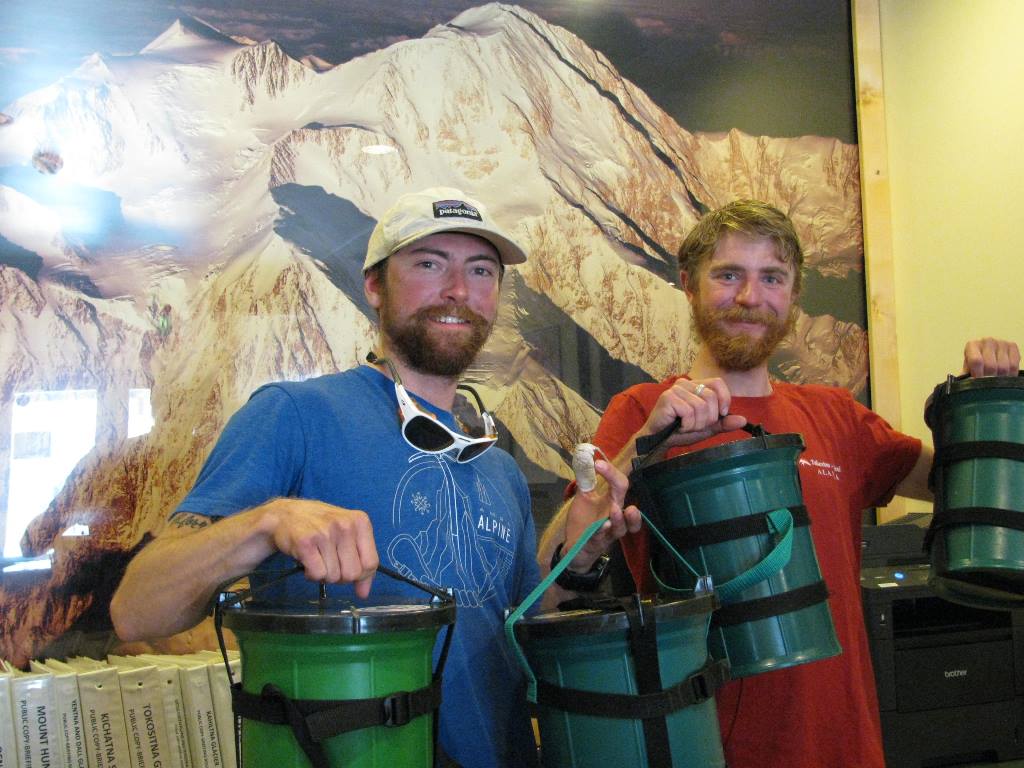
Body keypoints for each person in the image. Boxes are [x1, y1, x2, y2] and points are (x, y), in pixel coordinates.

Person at [110, 187, 640, 768]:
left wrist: (579, 555)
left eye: (481, 270)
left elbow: (516, 623)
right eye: (429, 264)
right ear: (373, 286)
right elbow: (138, 609)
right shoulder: (294, 415)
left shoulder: (498, 468)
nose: (458, 291)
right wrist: (266, 523)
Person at [539, 199, 1020, 768]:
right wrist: (644, 446)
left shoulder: (836, 417)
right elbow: (550, 577)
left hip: (843, 747)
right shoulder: (643, 411)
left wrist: (990, 403)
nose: (749, 297)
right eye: (728, 275)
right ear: (689, 286)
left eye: (772, 277)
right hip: (703, 744)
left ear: (792, 297)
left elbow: (969, 491)